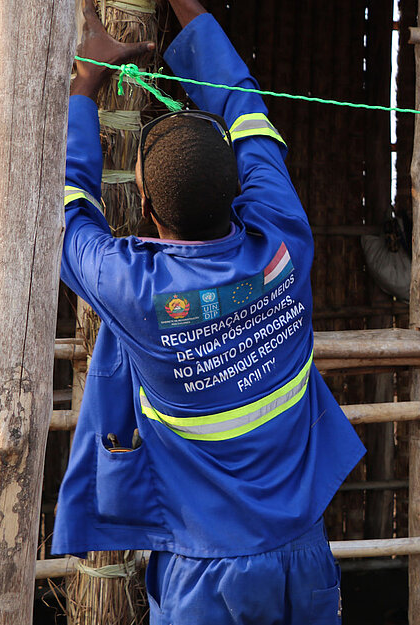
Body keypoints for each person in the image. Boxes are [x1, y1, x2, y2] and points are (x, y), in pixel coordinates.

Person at [53, 2, 364, 623]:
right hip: (303, 554)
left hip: (206, 574)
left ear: (144, 205)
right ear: (238, 190)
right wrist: (190, 9)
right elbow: (248, 113)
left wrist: (86, 83)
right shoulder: (283, 241)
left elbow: (67, 218)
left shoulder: (139, 293)